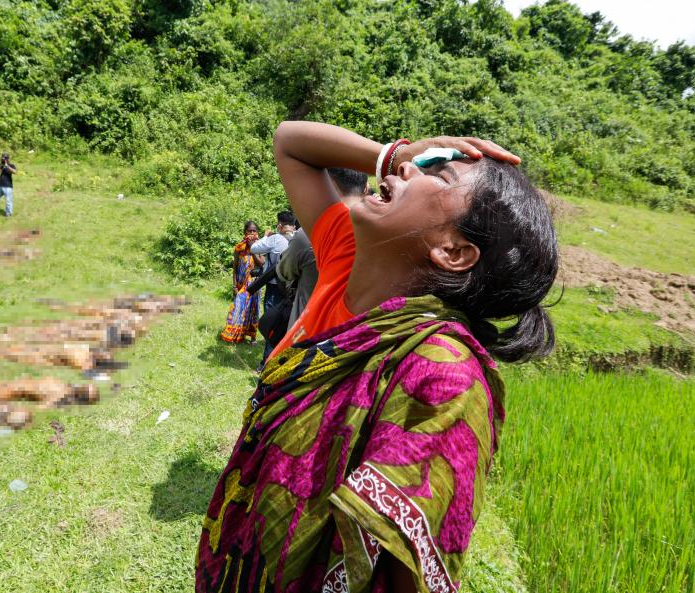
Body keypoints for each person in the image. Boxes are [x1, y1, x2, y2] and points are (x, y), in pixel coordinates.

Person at [196, 122, 558, 593]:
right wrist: (393, 154)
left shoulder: (443, 375)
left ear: (452, 250)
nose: (409, 166)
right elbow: (289, 141)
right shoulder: (343, 254)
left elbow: (396, 568)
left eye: (439, 176)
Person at [277, 167, 369, 328]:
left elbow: (284, 272)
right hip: (357, 334)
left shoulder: (307, 234)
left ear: (330, 185)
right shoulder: (381, 231)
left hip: (309, 332)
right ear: (366, 188)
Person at [249, 211, 297, 362]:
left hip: (275, 288)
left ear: (280, 225)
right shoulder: (300, 238)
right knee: (287, 325)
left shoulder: (276, 238)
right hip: (294, 289)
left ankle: (266, 363)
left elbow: (254, 248)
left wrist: (265, 236)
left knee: (272, 324)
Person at [220, 221, 263, 344]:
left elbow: (261, 264)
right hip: (240, 284)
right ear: (245, 232)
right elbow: (235, 267)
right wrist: (234, 285)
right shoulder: (239, 248)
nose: (252, 233)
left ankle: (253, 337)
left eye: (254, 231)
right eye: (250, 231)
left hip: (253, 284)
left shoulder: (260, 247)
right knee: (238, 307)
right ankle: (235, 335)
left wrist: (253, 249)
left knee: (253, 309)